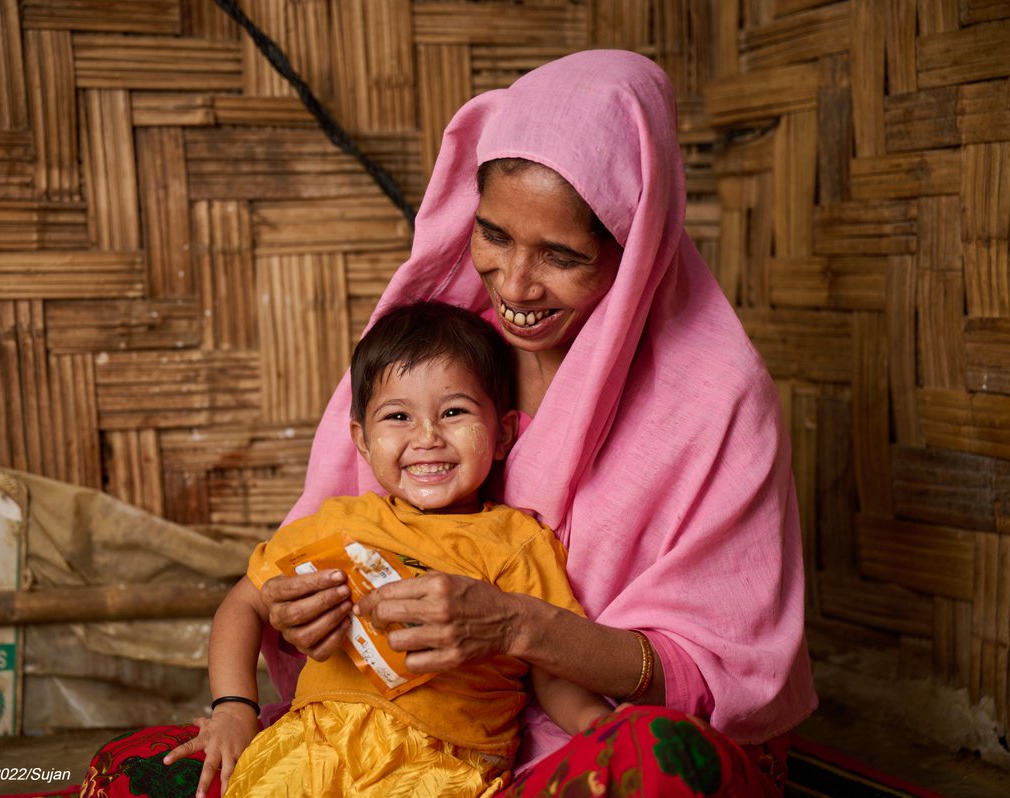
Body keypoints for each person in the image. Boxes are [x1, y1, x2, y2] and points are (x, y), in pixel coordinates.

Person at [83, 48, 816, 798]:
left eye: (562, 255)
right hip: (374, 738)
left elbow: (726, 673)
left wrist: (518, 629)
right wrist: (298, 621)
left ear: (636, 250)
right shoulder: (442, 350)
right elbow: (280, 586)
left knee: (660, 769)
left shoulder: (714, 404)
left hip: (566, 749)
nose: (516, 286)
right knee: (149, 771)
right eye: (494, 235)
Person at [180, 300, 612, 797]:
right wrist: (235, 708)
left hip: (444, 765)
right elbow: (243, 603)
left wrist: (599, 730)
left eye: (454, 412)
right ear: (361, 442)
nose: (427, 437)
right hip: (307, 751)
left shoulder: (517, 543)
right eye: (398, 416)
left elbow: (551, 669)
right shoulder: (340, 522)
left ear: (503, 434)